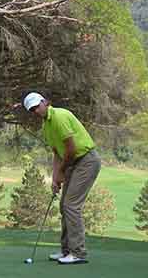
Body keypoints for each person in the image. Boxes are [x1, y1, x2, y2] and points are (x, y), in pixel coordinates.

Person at [23, 92, 101, 265]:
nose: (36, 111)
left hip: (86, 160)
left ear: (44, 102)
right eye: (32, 110)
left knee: (71, 205)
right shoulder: (46, 127)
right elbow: (57, 153)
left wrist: (62, 172)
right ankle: (66, 250)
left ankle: (78, 253)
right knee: (64, 205)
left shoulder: (59, 116)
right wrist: (55, 177)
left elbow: (71, 149)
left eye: (37, 106)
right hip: (74, 162)